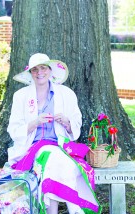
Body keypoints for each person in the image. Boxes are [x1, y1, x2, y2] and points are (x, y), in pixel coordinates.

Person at [7, 53, 100, 214]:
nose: (39, 72)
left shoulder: (66, 93)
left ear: (50, 71)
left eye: (43, 68)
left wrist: (66, 122)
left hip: (62, 146)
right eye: (35, 70)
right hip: (33, 148)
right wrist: (35, 122)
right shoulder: (21, 96)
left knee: (60, 164)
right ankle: (75, 208)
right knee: (51, 156)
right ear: (30, 73)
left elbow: (76, 124)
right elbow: (13, 130)